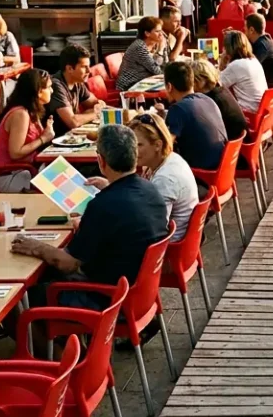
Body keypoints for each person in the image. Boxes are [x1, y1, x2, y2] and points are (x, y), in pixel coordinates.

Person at [12, 124, 169, 306]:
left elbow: (68, 263)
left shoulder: (103, 204)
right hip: (137, 291)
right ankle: (67, 333)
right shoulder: (150, 189)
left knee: (24, 298)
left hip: (107, 297)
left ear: (101, 161)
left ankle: (61, 332)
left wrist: (38, 247)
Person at [88, 114, 199, 242]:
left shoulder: (165, 179)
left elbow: (153, 227)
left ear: (157, 145)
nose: (132, 150)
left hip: (168, 249)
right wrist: (111, 186)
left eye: (139, 145)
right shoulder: (167, 159)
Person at [0, 69, 54, 192]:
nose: (52, 91)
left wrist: (46, 131)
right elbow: (15, 153)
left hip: (24, 170)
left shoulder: (32, 110)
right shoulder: (20, 114)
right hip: (10, 175)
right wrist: (44, 138)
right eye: (49, 87)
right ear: (38, 92)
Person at [161, 61, 228, 170]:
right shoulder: (207, 99)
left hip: (201, 170)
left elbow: (165, 147)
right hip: (222, 166)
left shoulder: (178, 109)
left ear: (169, 86)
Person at [47, 44, 103, 135]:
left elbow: (97, 104)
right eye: (84, 67)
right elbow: (73, 122)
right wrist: (97, 113)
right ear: (69, 68)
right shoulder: (56, 85)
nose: (89, 71)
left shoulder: (77, 82)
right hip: (55, 141)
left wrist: (90, 113)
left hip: (71, 136)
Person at [191, 59, 248, 140]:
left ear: (201, 80)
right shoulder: (221, 90)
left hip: (231, 146)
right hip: (238, 143)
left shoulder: (210, 100)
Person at [219, 30, 267, 116]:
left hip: (249, 113)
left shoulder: (236, 65)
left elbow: (214, 85)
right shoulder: (253, 60)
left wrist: (222, 62)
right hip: (260, 110)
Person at [116, 17, 166, 91]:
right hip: (130, 86)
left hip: (145, 82)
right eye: (157, 31)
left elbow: (165, 65)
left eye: (161, 31)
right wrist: (161, 50)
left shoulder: (156, 44)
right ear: (147, 33)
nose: (161, 34)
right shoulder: (139, 47)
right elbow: (157, 71)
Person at [245, 14, 273, 88]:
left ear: (251, 30)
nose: (243, 30)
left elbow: (248, 69)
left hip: (269, 89)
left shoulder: (262, 46)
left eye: (244, 28)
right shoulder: (265, 41)